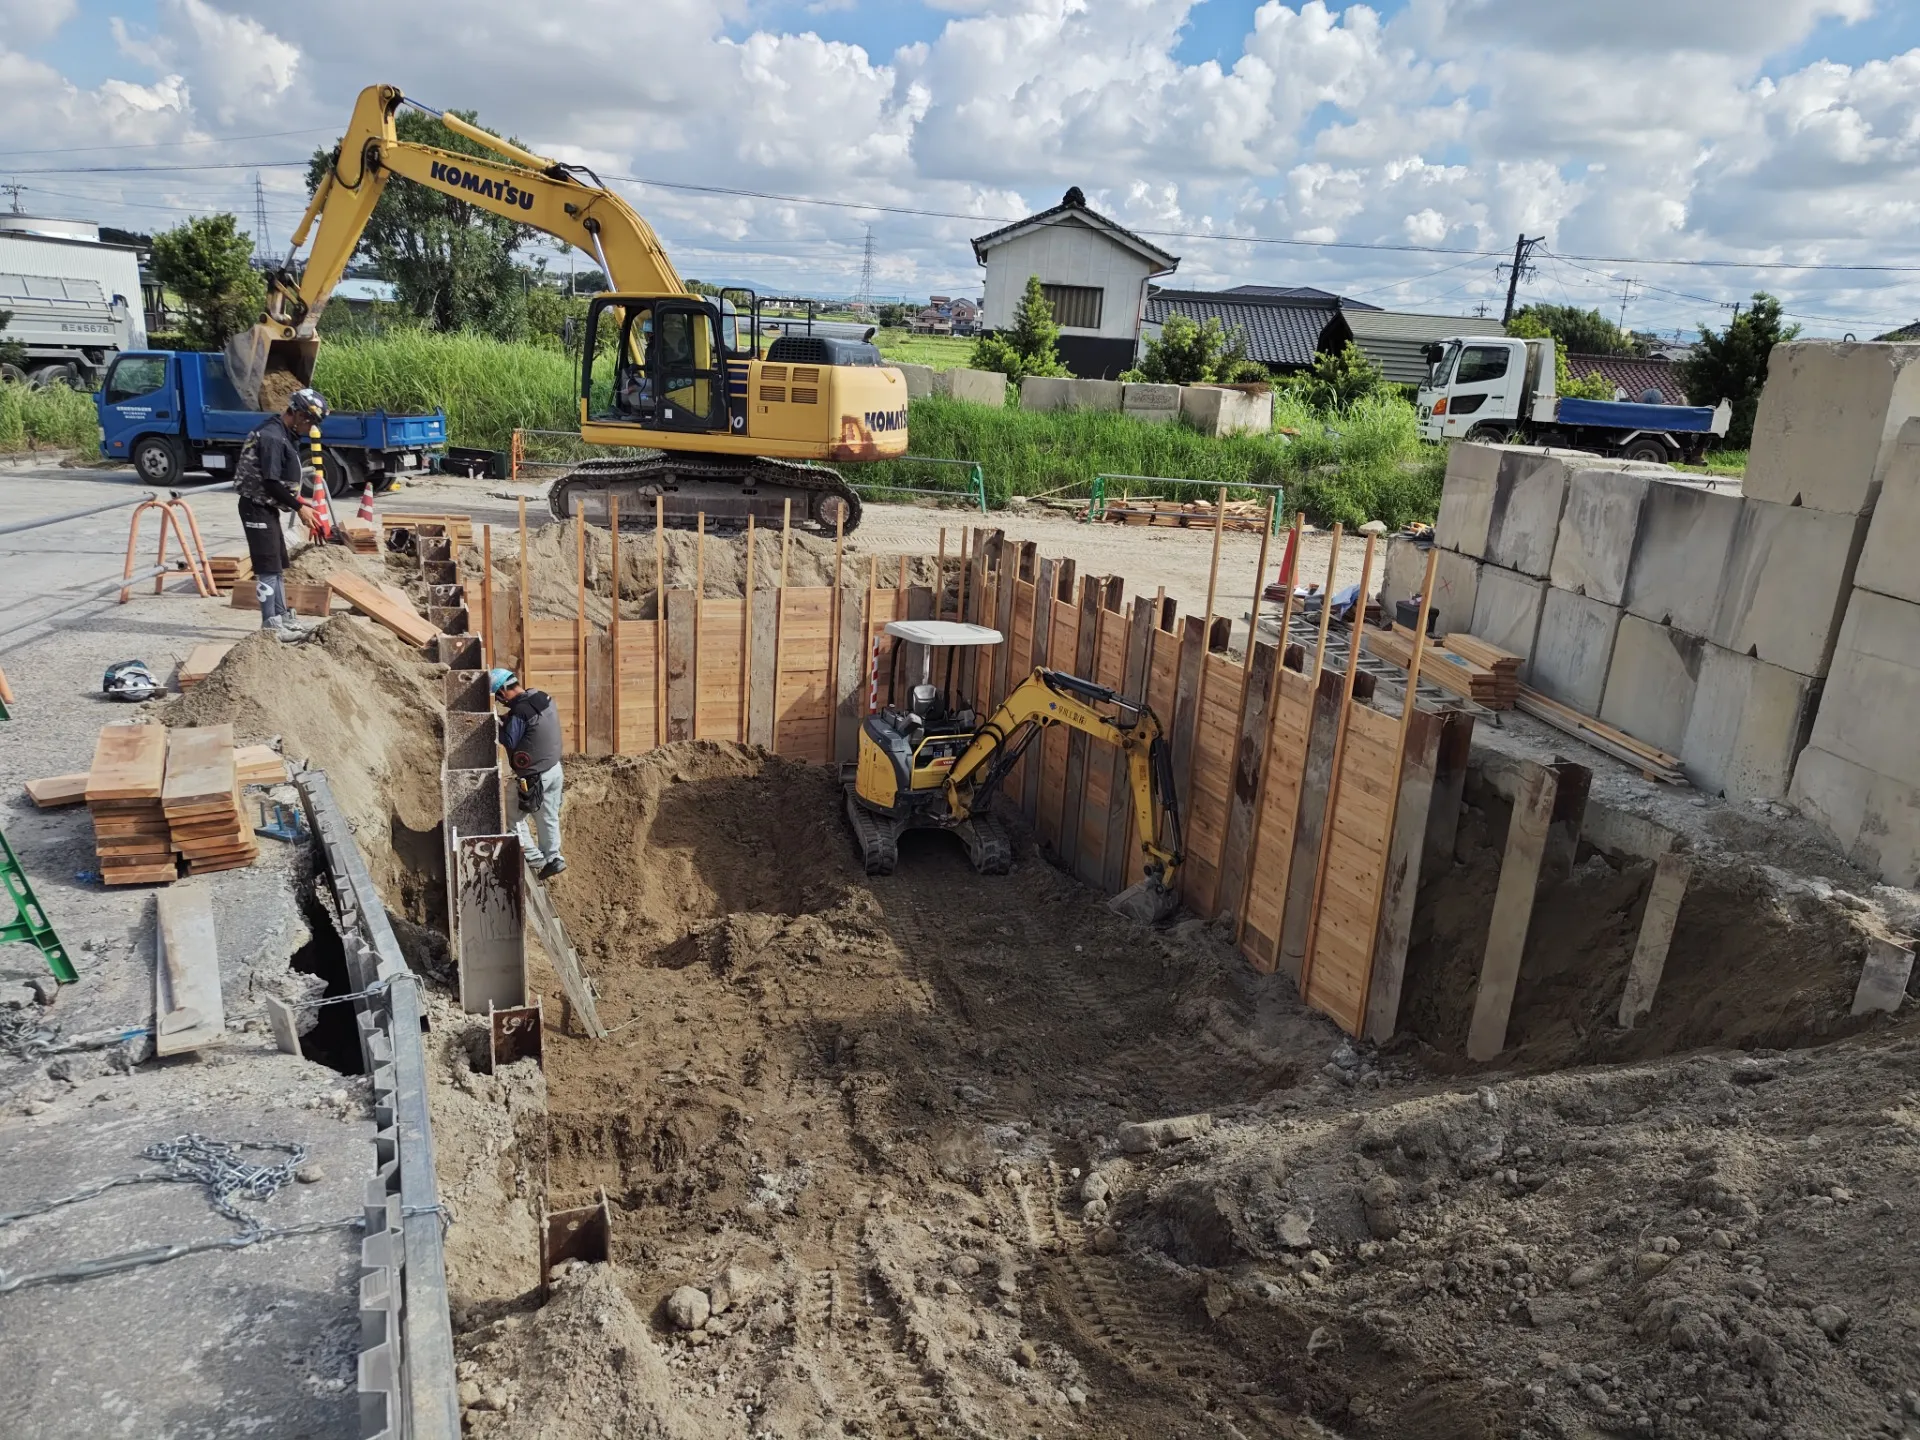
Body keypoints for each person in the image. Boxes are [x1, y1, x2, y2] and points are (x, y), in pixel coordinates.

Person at [236, 386, 328, 641]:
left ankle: (282, 615)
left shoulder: (282, 432)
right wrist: (300, 507)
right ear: (300, 415)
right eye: (310, 423)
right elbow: (270, 482)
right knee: (266, 566)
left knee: (276, 565)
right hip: (257, 506)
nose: (310, 429)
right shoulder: (272, 436)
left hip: (268, 507)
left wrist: (298, 501)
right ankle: (270, 624)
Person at [490, 668, 566, 879]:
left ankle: (532, 856)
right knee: (548, 816)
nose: (501, 702)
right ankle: (554, 858)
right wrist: (508, 719)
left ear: (503, 692)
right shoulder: (541, 697)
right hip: (554, 770)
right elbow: (531, 723)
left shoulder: (520, 712)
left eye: (498, 698)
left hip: (534, 778)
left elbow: (510, 740)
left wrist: (495, 724)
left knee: (512, 816)